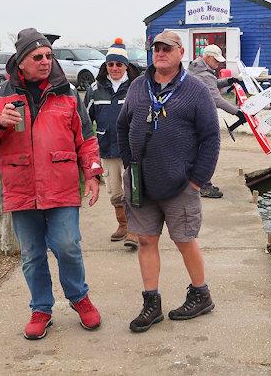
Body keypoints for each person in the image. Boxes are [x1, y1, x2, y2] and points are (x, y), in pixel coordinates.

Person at [0, 28, 103, 340]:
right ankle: (41, 309)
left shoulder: (67, 94)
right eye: (37, 57)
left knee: (68, 246)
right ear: (22, 62)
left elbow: (86, 138)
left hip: (62, 186)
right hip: (21, 188)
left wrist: (93, 174)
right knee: (31, 254)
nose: (45, 61)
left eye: (48, 56)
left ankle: (79, 298)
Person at [117, 30, 220, 333]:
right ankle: (152, 303)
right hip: (142, 184)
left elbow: (211, 138)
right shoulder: (138, 86)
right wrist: (129, 164)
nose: (159, 52)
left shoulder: (196, 90)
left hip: (180, 186)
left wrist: (197, 181)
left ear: (180, 52)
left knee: (184, 240)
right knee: (146, 241)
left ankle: (201, 294)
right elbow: (123, 127)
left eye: (166, 48)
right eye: (155, 48)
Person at [84, 37, 138, 249]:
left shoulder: (136, 87)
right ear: (106, 66)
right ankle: (122, 225)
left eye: (119, 64)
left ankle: (134, 231)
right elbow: (84, 120)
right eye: (111, 64)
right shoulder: (95, 89)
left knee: (134, 191)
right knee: (116, 193)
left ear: (126, 66)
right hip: (107, 148)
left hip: (133, 149)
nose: (114, 68)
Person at [187, 44, 244, 199]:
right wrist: (238, 112)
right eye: (216, 60)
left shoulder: (196, 69)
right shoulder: (204, 74)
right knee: (206, 152)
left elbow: (212, 84)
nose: (218, 64)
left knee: (194, 151)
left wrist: (228, 81)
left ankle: (197, 183)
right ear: (207, 58)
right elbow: (216, 99)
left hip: (191, 117)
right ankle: (204, 186)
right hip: (199, 118)